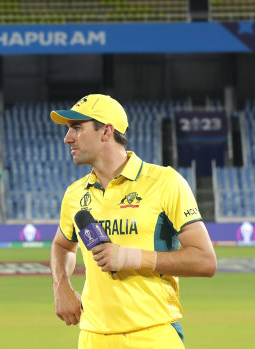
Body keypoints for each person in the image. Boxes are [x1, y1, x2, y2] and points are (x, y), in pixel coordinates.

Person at [49, 94, 217, 349]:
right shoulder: (75, 194)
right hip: (92, 337)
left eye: (77, 128)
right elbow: (62, 246)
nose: (67, 138)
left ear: (106, 131)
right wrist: (61, 286)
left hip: (152, 334)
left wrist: (132, 258)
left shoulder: (164, 182)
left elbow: (205, 261)